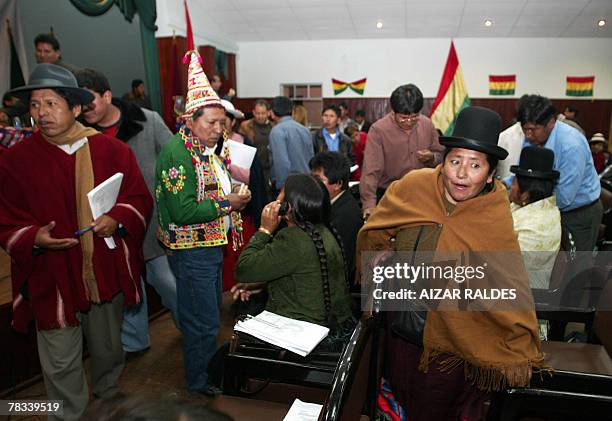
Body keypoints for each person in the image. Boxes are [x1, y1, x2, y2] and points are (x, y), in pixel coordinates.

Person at [357, 106, 544, 420]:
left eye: (475, 165)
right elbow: (377, 228)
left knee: (437, 408)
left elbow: (508, 283)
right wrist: (384, 252)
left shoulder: (493, 212)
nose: (461, 173)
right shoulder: (414, 187)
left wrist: (519, 344)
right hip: (402, 329)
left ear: (489, 174)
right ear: (442, 161)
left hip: (454, 342)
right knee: (397, 396)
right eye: (455, 160)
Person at [0, 63, 152, 420]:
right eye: (35, 105)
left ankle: (107, 399)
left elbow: (140, 199)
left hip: (102, 269)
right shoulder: (15, 162)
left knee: (108, 350)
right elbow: (5, 218)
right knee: (60, 361)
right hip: (49, 276)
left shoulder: (111, 152)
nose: (41, 113)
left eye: (51, 103)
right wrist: (32, 237)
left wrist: (117, 218)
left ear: (75, 107)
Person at [155, 50, 251, 396]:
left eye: (221, 123)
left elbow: (212, 187)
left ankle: (206, 375)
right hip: (192, 250)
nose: (217, 129)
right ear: (189, 120)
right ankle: (200, 383)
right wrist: (228, 202)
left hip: (208, 247)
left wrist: (232, 191)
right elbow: (182, 211)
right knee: (201, 323)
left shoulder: (204, 150)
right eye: (211, 122)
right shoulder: (177, 153)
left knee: (208, 320)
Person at [75, 68, 178, 355]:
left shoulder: (148, 121)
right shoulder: (81, 135)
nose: (85, 110)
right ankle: (135, 344)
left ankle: (191, 329)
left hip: (153, 223)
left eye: (90, 101)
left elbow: (175, 161)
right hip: (110, 226)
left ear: (107, 96)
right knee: (128, 285)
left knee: (168, 283)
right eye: (80, 104)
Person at [233, 174, 354, 344]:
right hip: (331, 327)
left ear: (287, 208)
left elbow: (243, 270)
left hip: (301, 335)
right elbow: (307, 278)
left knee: (222, 358)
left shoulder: (292, 239)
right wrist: (264, 284)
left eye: (280, 196)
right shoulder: (324, 231)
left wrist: (264, 230)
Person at [517, 95, 601, 252]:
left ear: (551, 123)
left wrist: (529, 208)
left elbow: (565, 197)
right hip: (549, 208)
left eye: (533, 129)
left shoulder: (571, 145)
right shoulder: (533, 137)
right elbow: (526, 171)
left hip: (578, 214)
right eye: (524, 129)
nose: (528, 135)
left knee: (575, 269)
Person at [360, 84, 444, 219]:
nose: (409, 122)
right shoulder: (378, 130)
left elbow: (442, 156)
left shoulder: (427, 124)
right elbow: (371, 170)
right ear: (393, 111)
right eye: (404, 118)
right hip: (390, 195)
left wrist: (432, 157)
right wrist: (369, 204)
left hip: (422, 194)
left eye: (415, 116)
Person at [509, 146, 561, 340]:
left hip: (523, 315)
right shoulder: (539, 208)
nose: (511, 185)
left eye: (514, 181)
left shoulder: (536, 226)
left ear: (526, 191)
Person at [310, 152, 363, 286]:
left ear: (338, 184)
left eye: (318, 179)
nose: (312, 184)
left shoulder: (345, 215)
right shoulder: (332, 204)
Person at [268, 96, 313, 194]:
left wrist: (281, 188)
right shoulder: (304, 130)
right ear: (291, 111)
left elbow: (282, 163)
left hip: (289, 186)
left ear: (271, 112)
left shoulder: (277, 131)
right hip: (307, 183)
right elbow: (311, 158)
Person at [238, 100, 274, 196]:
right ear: (253, 112)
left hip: (268, 168)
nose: (260, 116)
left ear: (268, 113)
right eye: (257, 113)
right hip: (251, 168)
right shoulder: (245, 126)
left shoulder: (274, 127)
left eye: (263, 113)